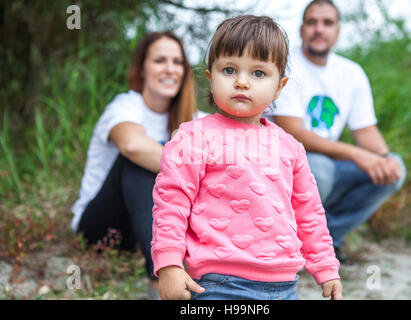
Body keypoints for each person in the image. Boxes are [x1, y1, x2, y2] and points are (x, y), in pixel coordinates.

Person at [151, 15, 342, 300]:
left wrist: (326, 266)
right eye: (229, 70)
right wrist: (169, 264)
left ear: (279, 86)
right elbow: (171, 202)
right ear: (210, 77)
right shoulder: (194, 137)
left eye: (258, 73)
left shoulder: (290, 147)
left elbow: (309, 213)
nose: (241, 82)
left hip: (284, 285)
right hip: (216, 283)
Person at [264, 0, 406, 263]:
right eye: (312, 22)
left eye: (327, 23)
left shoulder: (351, 72)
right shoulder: (286, 64)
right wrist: (356, 154)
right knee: (319, 169)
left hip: (326, 163)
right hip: (282, 164)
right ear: (301, 29)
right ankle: (288, 244)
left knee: (393, 169)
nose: (320, 29)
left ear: (338, 31)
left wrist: (383, 158)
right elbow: (293, 132)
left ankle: (328, 241)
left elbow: (366, 131)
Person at [70, 31, 207, 298]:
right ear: (142, 69)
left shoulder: (194, 119)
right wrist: (199, 172)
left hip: (142, 230)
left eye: (177, 62)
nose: (170, 69)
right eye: (159, 60)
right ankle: (160, 279)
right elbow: (132, 145)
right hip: (103, 226)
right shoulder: (125, 106)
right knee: (141, 160)